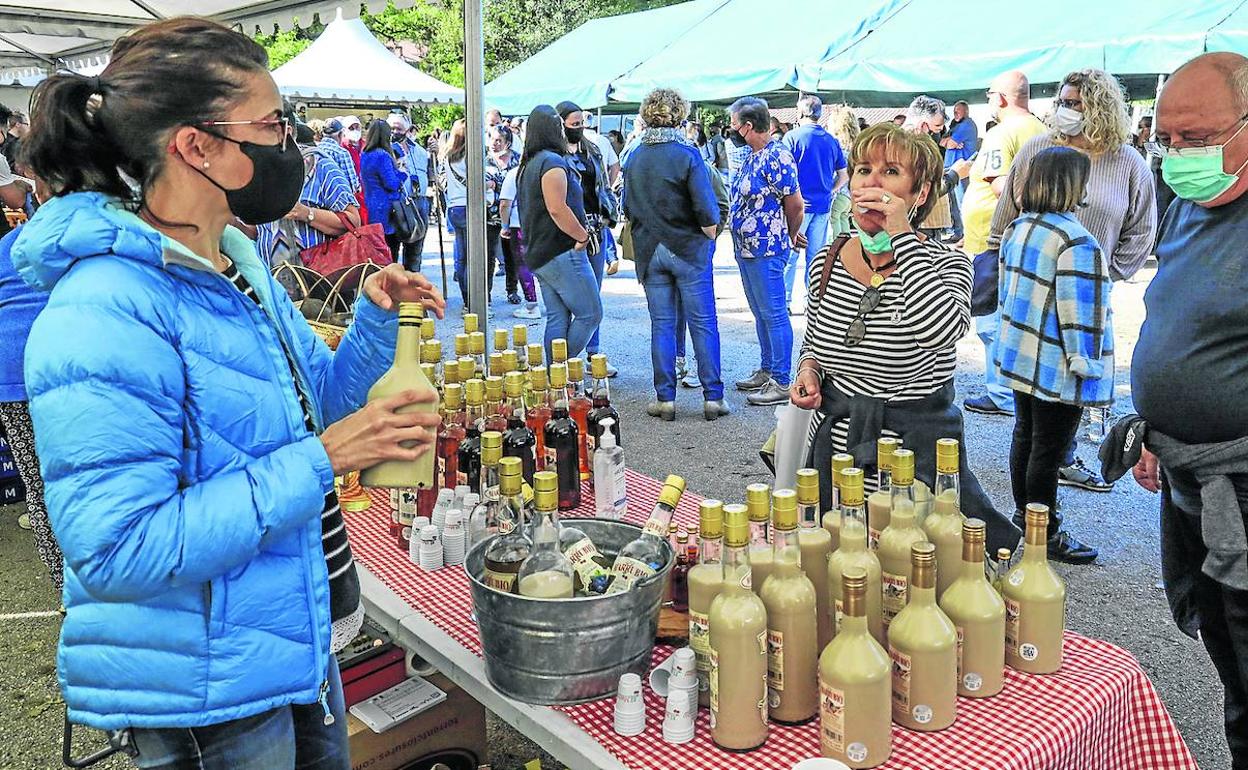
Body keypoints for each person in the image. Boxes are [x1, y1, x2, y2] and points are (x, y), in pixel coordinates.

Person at [14, 17, 446, 768]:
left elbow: (325, 405)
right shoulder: (105, 307)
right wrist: (321, 462)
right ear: (196, 144)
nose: (289, 144)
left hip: (290, 642)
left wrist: (375, 318)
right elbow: (119, 549)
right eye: (273, 123)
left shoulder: (235, 260)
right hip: (204, 690)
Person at [788, 123, 1019, 554]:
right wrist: (808, 369)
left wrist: (900, 237)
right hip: (837, 451)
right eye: (862, 169)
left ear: (920, 192)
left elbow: (940, 331)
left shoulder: (948, 263)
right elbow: (816, 339)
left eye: (890, 171)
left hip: (911, 459)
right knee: (840, 569)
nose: (871, 181)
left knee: (904, 576)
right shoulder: (829, 257)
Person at [1129, 52, 1248, 768]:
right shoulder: (1186, 207)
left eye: (1197, 138)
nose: (1178, 156)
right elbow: (1172, 318)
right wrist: (1157, 427)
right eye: (1167, 141)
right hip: (1187, 478)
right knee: (1226, 653)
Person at [987, 67, 1157, 495]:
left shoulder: (1127, 162)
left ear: (1100, 108)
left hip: (1085, 296)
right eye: (1062, 102)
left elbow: (1140, 231)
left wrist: (1103, 275)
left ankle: (1035, 510)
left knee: (1039, 429)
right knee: (1041, 429)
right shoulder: (1038, 149)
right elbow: (1005, 215)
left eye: (1075, 104)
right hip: (1035, 304)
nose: (1065, 111)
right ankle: (1041, 523)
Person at [996, 147, 1109, 564]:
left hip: (1021, 353)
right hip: (1059, 362)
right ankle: (1047, 534)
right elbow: (1081, 314)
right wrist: (1088, 363)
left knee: (1026, 437)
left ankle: (1025, 515)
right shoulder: (1076, 241)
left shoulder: (1019, 227)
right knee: (1048, 448)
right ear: (1072, 185)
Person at [623, 88, 726, 422]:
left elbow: (627, 205)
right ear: (680, 113)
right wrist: (709, 236)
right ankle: (713, 398)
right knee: (703, 323)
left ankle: (664, 399)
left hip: (649, 249)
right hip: (688, 248)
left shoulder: (634, 155)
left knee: (662, 325)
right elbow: (707, 209)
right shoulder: (688, 153)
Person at [957, 70, 1046, 419]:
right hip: (1018, 239)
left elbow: (1000, 185)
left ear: (1003, 98)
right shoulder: (1041, 128)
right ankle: (1012, 390)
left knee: (991, 321)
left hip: (993, 242)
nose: (989, 101)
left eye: (991, 94)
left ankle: (1002, 394)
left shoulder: (1002, 133)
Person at [0, 178, 62, 587]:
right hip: (60, 370)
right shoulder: (91, 238)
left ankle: (67, 590)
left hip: (11, 375)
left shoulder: (11, 244)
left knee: (40, 489)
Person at [727, 96, 804, 407]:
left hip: (767, 247)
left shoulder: (777, 156)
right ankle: (768, 368)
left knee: (773, 313)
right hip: (748, 248)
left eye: (733, 126)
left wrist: (791, 232)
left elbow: (795, 203)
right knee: (761, 312)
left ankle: (783, 380)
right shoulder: (753, 155)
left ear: (748, 126)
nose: (729, 131)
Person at [516, 105, 598, 359]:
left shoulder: (528, 164)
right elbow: (557, 208)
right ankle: (558, 372)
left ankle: (552, 382)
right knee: (591, 313)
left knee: (557, 318)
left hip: (540, 253)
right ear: (556, 129)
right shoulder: (551, 162)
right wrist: (582, 236)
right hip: (562, 250)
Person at [557, 102, 619, 367]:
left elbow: (604, 183)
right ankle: (563, 358)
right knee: (568, 299)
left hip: (595, 228)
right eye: (574, 124)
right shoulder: (553, 154)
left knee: (594, 294)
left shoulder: (592, 149)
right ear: (560, 124)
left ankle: (594, 352)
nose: (579, 128)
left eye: (582, 122)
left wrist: (609, 215)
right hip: (566, 232)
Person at [255, 120, 361, 268]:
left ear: (286, 131)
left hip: (317, 280)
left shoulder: (320, 166)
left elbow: (353, 221)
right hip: (270, 281)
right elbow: (258, 230)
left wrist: (305, 213)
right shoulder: (258, 170)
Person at [782, 95, 849, 316]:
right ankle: (811, 301)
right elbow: (844, 174)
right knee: (816, 257)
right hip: (822, 205)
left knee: (791, 255)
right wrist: (832, 189)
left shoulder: (791, 138)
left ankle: (785, 301)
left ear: (800, 113)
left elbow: (784, 173)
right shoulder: (831, 140)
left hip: (797, 206)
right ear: (820, 114)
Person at [440, 119, 495, 308]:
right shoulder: (471, 155)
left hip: (455, 208)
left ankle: (466, 302)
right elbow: (477, 183)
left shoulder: (448, 156)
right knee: (476, 258)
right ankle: (476, 301)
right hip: (470, 207)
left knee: (462, 258)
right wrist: (489, 185)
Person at [389, 112, 433, 270]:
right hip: (395, 205)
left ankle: (412, 288)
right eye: (392, 128)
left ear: (407, 130)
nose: (395, 132)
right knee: (391, 252)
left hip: (418, 203)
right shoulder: (385, 150)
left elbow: (431, 174)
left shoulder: (420, 151)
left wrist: (435, 153)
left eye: (398, 128)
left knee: (414, 253)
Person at [360, 119, 408, 260]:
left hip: (370, 206)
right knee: (390, 253)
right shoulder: (382, 155)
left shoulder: (365, 154)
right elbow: (392, 183)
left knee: (375, 254)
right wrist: (402, 173)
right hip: (387, 210)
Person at [498, 162, 541, 320]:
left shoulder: (515, 173)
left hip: (520, 223)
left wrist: (505, 225)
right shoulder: (547, 170)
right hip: (543, 223)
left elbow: (505, 204)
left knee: (523, 264)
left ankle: (531, 304)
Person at [487, 125, 522, 303]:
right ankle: (486, 294)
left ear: (508, 143)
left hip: (513, 216)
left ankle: (512, 290)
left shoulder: (518, 161)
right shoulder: (483, 161)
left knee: (513, 256)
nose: (495, 144)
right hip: (490, 216)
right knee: (488, 257)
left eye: (499, 140)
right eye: (493, 139)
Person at [941, 100, 977, 242]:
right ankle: (959, 233)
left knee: (963, 204)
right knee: (954, 204)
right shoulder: (955, 126)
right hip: (951, 170)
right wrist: (949, 140)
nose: (955, 113)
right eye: (954, 110)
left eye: (958, 110)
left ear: (966, 111)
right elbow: (943, 142)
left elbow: (949, 144)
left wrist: (950, 141)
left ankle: (968, 235)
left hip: (963, 171)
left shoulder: (967, 125)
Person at [825, 104, 860, 239]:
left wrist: (832, 189)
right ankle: (845, 247)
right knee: (843, 218)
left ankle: (835, 249)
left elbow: (839, 173)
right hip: (850, 195)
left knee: (834, 219)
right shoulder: (855, 147)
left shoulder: (838, 147)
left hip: (839, 191)